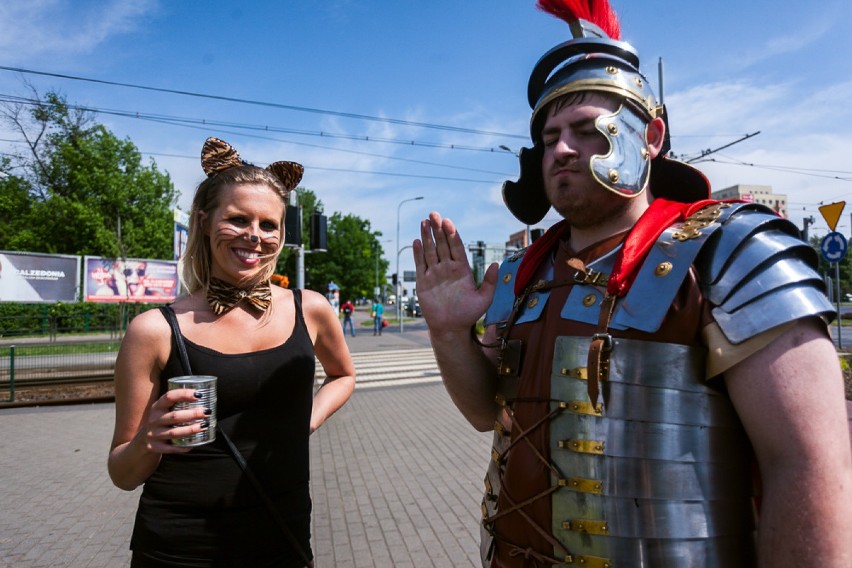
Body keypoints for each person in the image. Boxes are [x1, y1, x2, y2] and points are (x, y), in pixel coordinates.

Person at [414, 2, 852, 566]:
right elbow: (485, 414)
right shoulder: (526, 271)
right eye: (549, 138)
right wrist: (450, 332)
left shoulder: (729, 249)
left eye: (586, 129)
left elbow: (810, 463)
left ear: (650, 136)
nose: (562, 150)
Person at [108, 137, 355, 567]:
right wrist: (151, 440)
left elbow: (344, 375)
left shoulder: (310, 308)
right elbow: (122, 473)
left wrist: (305, 422)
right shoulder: (155, 329)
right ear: (204, 222)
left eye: (269, 224)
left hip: (283, 532)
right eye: (238, 219)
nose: (254, 237)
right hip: (181, 546)